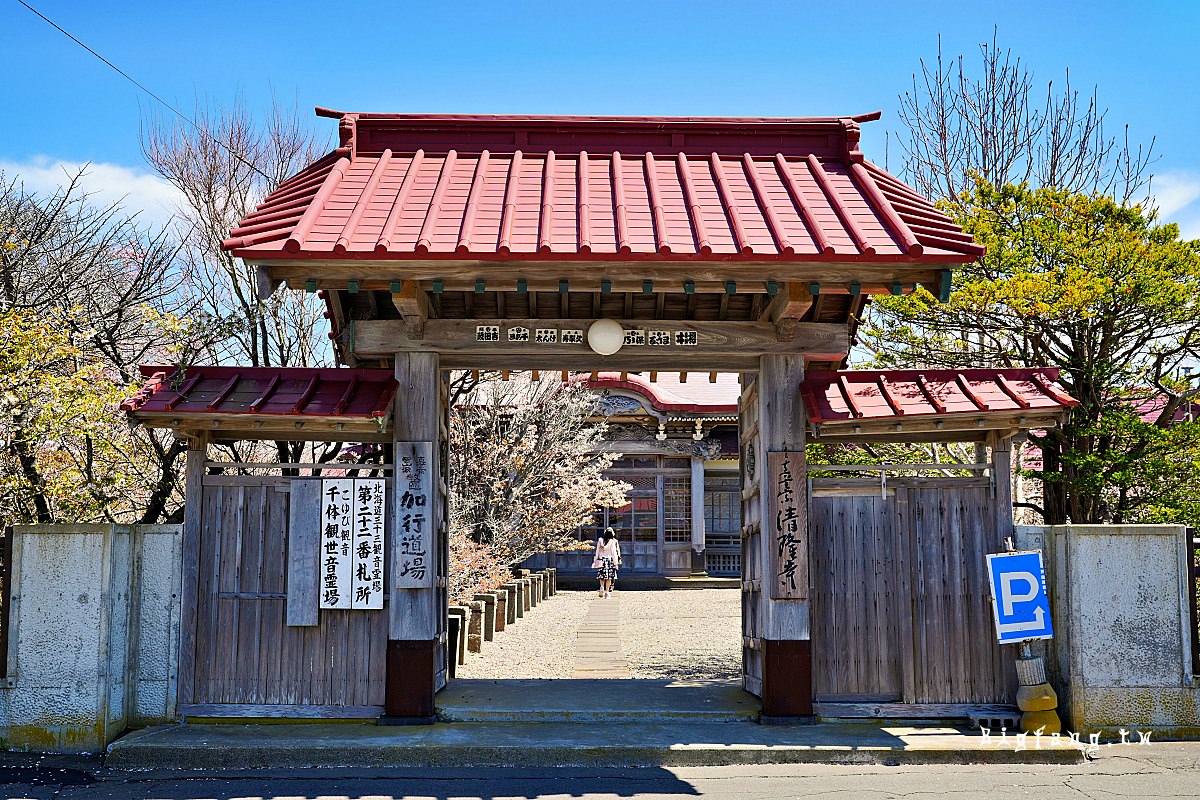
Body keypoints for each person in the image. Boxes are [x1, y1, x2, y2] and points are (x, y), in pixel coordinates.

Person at [593, 527, 621, 598]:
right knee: (609, 577)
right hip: (609, 560)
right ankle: (607, 592)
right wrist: (616, 563)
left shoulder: (600, 540)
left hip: (601, 560)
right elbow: (614, 553)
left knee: (601, 576)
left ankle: (602, 587)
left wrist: (595, 560)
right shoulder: (612, 542)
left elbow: (597, 551)